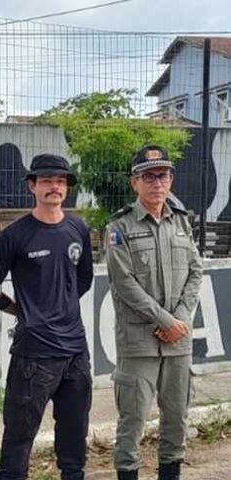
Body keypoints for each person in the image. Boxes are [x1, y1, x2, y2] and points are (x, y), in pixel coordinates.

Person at [0, 153, 93, 480]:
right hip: (34, 355)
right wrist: (23, 311)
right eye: (46, 181)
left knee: (75, 439)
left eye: (60, 181)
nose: (54, 187)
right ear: (32, 186)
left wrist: (61, 305)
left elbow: (84, 278)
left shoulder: (78, 228)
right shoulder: (15, 235)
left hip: (76, 351)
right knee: (18, 441)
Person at [106, 145, 202, 480]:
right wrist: (166, 321)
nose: (156, 183)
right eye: (148, 176)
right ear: (135, 183)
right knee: (132, 423)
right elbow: (124, 284)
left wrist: (181, 319)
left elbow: (195, 272)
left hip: (178, 344)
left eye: (162, 175)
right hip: (139, 344)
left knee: (177, 420)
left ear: (171, 179)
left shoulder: (182, 223)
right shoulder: (120, 227)